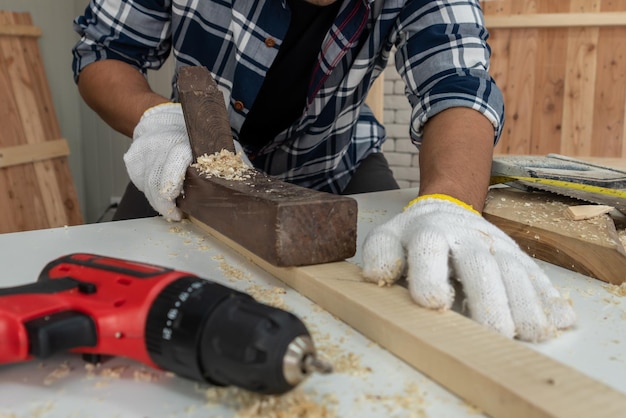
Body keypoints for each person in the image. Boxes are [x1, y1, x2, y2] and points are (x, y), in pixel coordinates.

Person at [72, 0, 575, 342]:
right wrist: (158, 121)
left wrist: (451, 203)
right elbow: (104, 51)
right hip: (185, 163)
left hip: (337, 164)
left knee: (402, 290)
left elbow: (457, 83)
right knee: (113, 300)